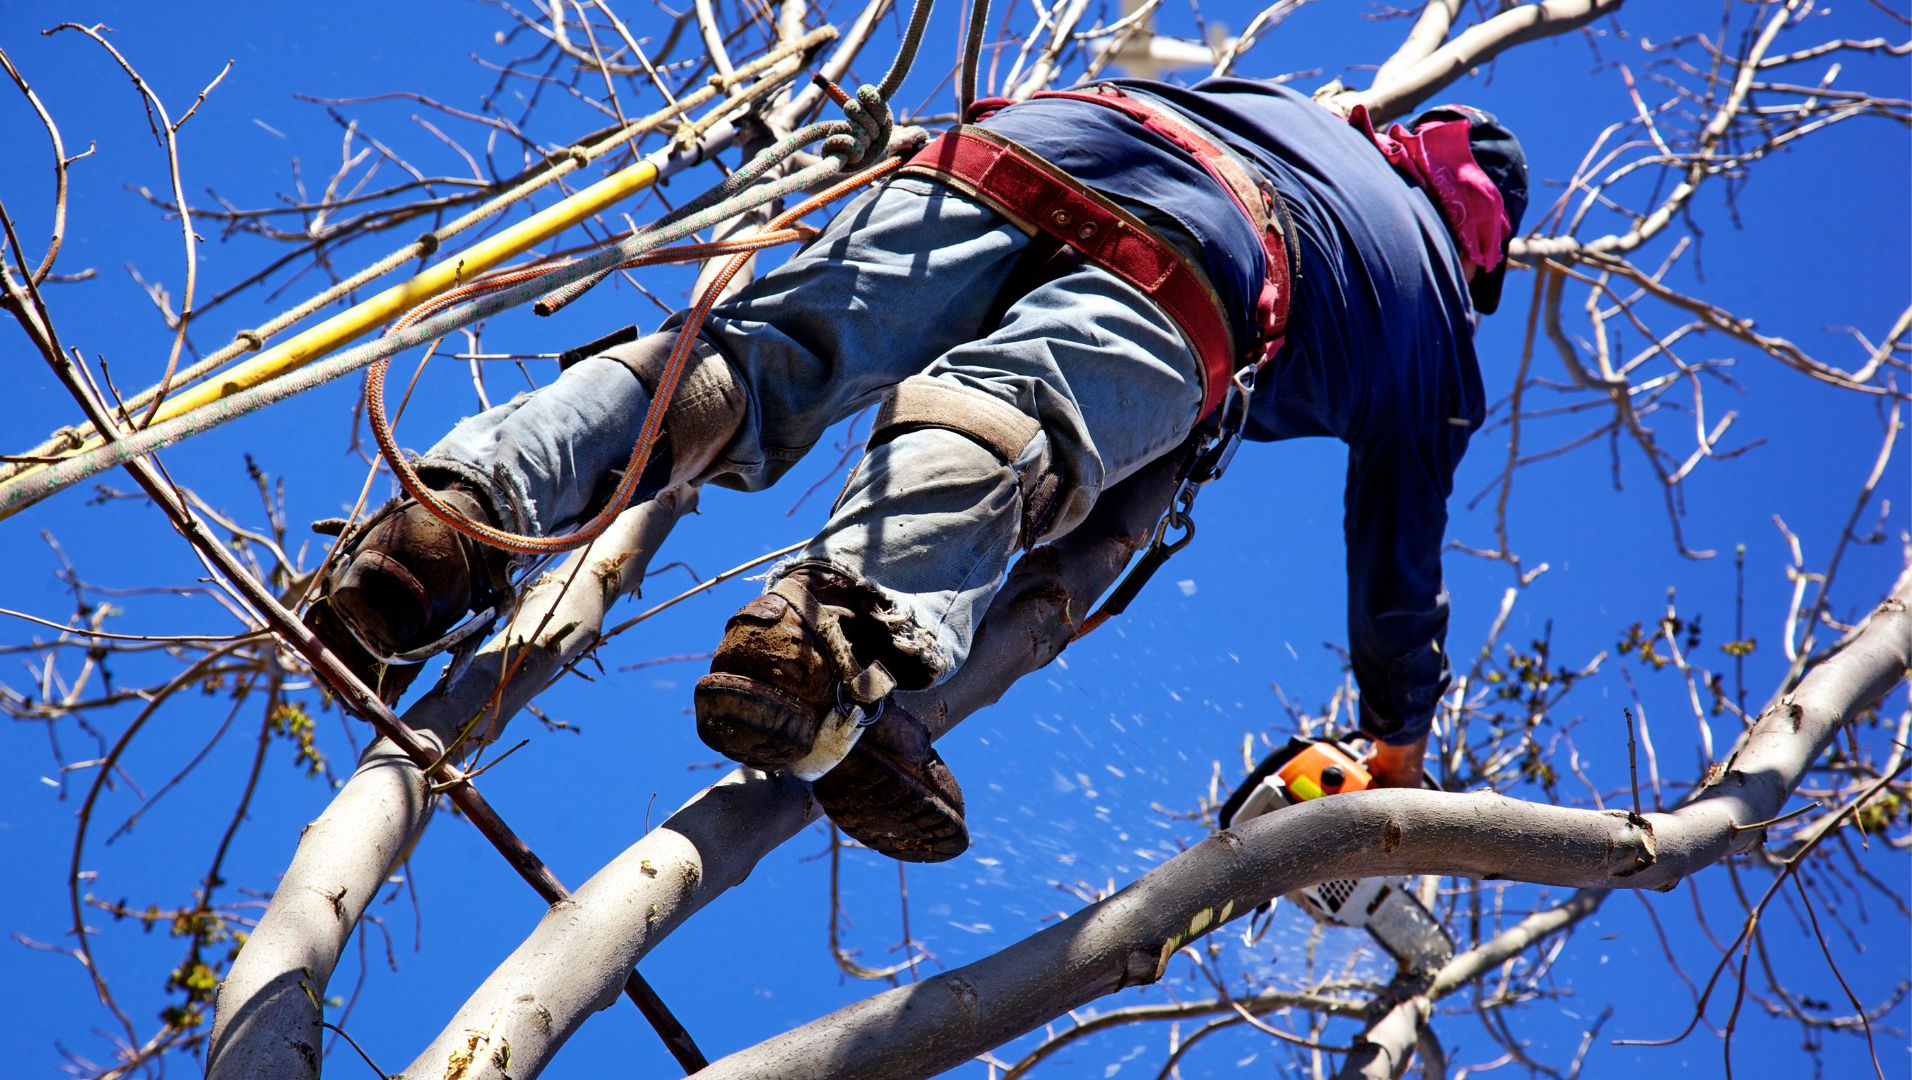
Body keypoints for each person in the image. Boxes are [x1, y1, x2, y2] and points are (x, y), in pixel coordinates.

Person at [307, 77, 1528, 864]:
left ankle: (457, 516)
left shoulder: (1291, 104)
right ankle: (831, 646)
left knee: (753, 362)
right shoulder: (1438, 319)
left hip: (1040, 139)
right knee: (1021, 421)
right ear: (1483, 254)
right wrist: (1396, 740)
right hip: (1209, 256)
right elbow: (1397, 558)